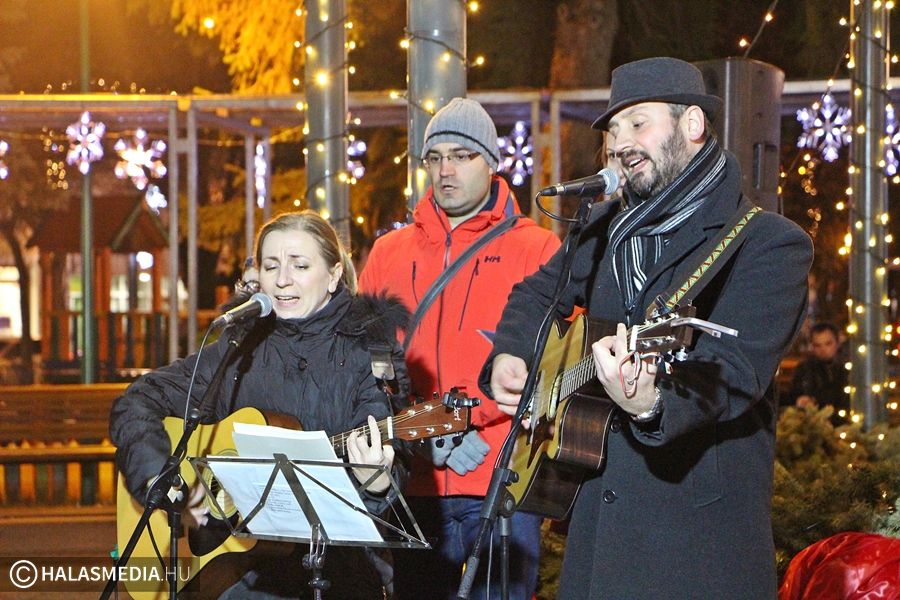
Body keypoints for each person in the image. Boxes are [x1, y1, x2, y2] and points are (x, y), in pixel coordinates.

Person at [481, 57, 813, 599]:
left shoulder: (767, 243)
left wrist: (652, 403)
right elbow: (537, 293)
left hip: (696, 546)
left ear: (692, 124)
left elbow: (735, 371)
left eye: (638, 123)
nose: (620, 144)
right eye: (613, 131)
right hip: (600, 534)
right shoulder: (604, 230)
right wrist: (511, 353)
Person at [110, 210, 411, 599]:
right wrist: (157, 476)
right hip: (244, 569)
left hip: (341, 567)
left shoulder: (370, 353)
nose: (283, 279)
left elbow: (390, 461)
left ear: (334, 275)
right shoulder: (240, 346)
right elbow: (139, 400)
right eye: (271, 266)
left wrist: (377, 481)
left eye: (300, 265)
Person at [359, 97, 560, 600]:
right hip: (413, 480)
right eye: (435, 157)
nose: (445, 170)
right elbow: (361, 364)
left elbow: (555, 364)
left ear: (491, 162)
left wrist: (465, 419)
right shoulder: (388, 252)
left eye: (461, 156)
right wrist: (420, 433)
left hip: (502, 480)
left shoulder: (537, 248)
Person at [789, 322, 849, 424]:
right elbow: (796, 394)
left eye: (828, 343)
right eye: (817, 345)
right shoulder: (805, 368)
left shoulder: (847, 367)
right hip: (816, 423)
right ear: (812, 346)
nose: (823, 349)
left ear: (838, 342)